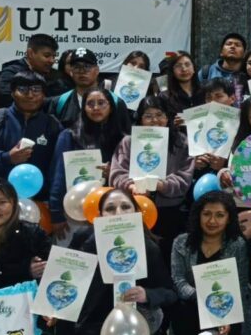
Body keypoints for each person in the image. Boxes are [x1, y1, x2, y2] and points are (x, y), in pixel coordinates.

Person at [61, 188, 176, 335]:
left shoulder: (148, 247)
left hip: (133, 328)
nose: (118, 213)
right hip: (92, 326)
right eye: (110, 209)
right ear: (99, 216)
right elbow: (65, 283)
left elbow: (170, 293)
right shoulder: (84, 240)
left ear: (136, 212)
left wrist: (147, 294)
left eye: (125, 207)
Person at [170, 191, 251, 335]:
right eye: (207, 214)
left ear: (229, 218)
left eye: (220, 215)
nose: (212, 221)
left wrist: (223, 314)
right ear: (198, 216)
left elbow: (240, 284)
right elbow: (178, 281)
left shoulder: (237, 244)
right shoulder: (181, 242)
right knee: (183, 309)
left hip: (228, 307)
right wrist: (205, 300)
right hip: (193, 304)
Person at [109, 96, 193, 263]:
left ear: (167, 117)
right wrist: (132, 186)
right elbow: (116, 174)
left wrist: (161, 185)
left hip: (170, 212)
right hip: (134, 210)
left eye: (159, 114)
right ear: (140, 119)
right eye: (148, 116)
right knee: (135, 259)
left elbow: (185, 177)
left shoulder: (181, 142)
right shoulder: (128, 142)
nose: (155, 120)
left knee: (167, 259)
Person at [0, 71, 63, 201]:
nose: (30, 95)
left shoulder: (52, 124)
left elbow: (60, 166)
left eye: (36, 90)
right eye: (23, 89)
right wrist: (6, 158)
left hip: (40, 201)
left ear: (44, 94)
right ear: (12, 93)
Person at [49, 88, 130, 238]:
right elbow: (57, 177)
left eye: (101, 103)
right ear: (84, 108)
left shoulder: (123, 139)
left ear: (111, 107)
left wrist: (113, 173)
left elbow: (132, 178)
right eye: (90, 104)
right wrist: (56, 214)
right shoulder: (69, 136)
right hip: (75, 211)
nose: (96, 108)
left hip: (114, 212)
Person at [49, 49, 132, 130]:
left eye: (87, 66)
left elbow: (125, 135)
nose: (82, 71)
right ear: (71, 72)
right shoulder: (59, 103)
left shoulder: (116, 102)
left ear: (97, 70)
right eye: (77, 67)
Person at [0, 33, 64, 107]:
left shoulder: (55, 75)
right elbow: (7, 100)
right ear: (30, 53)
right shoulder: (11, 73)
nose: (52, 61)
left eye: (54, 56)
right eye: (47, 56)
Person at [160, 51, 204, 118]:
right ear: (172, 71)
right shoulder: (165, 97)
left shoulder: (205, 91)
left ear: (194, 68)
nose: (184, 69)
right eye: (178, 66)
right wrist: (174, 123)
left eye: (187, 64)